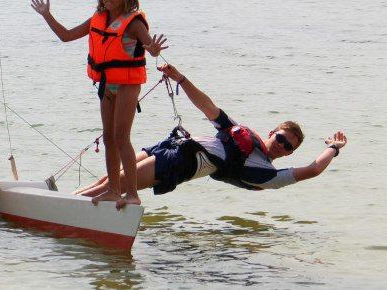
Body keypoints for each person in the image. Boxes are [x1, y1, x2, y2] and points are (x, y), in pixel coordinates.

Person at [75, 64, 347, 197]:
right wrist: (180, 77)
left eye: (288, 147)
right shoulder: (241, 133)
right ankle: (64, 200)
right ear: (272, 131)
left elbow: (312, 170)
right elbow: (207, 106)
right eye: (280, 138)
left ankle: (62, 209)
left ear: (289, 155)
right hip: (173, 146)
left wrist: (333, 148)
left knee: (116, 185)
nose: (281, 145)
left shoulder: (267, 173)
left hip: (181, 163)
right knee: (106, 179)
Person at [32, 0, 168, 209]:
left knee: (121, 137)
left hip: (127, 84)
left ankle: (132, 194)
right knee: (108, 137)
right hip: (107, 83)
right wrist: (47, 15)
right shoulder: (98, 18)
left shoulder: (134, 22)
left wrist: (154, 49)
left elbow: (150, 47)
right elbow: (66, 36)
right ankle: (113, 190)